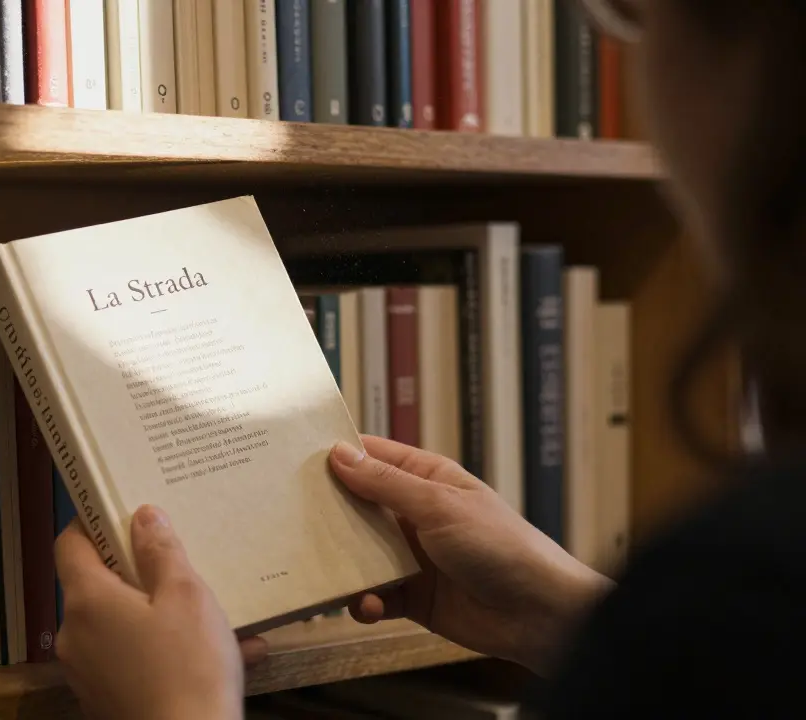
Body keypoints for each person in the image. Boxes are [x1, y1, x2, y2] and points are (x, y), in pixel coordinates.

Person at [53, 0, 806, 716]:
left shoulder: (741, 577)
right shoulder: (741, 588)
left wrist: (175, 708)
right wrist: (562, 616)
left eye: (635, 13)